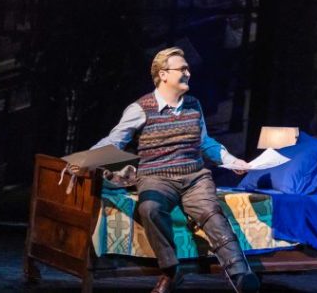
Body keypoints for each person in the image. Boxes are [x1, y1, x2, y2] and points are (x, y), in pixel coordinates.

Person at [70, 47, 258, 293]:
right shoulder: (140, 108)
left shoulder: (194, 105)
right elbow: (114, 141)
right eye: (182, 69)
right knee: (150, 207)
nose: (188, 73)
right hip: (156, 177)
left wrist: (232, 161)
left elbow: (204, 142)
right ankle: (171, 270)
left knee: (210, 212)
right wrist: (86, 159)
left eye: (188, 69)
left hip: (194, 177)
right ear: (163, 74)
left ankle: (241, 275)